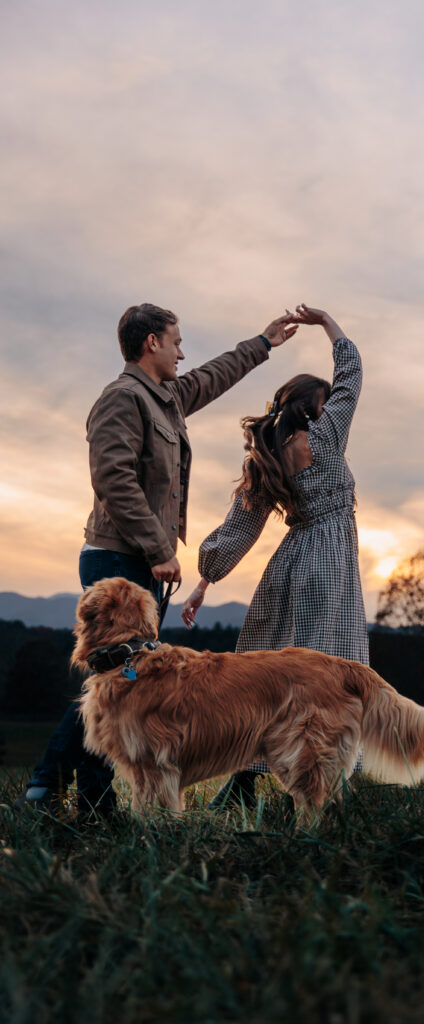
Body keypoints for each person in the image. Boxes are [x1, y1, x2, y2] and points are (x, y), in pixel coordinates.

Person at [14, 302, 297, 816]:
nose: (182, 351)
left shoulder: (164, 398)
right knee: (110, 690)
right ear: (152, 344)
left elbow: (212, 378)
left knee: (121, 693)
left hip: (141, 564)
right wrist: (160, 548)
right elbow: (113, 479)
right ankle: (43, 789)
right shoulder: (122, 399)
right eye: (176, 341)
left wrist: (264, 342)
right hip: (117, 564)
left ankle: (94, 804)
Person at [181, 304, 368, 808]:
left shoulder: (268, 456)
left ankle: (243, 785)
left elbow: (239, 529)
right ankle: (316, 788)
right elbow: (351, 371)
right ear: (315, 407)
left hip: (289, 569)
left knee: (272, 681)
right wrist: (327, 322)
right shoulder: (328, 434)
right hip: (327, 571)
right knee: (328, 678)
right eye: (325, 404)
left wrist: (205, 580)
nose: (332, 409)